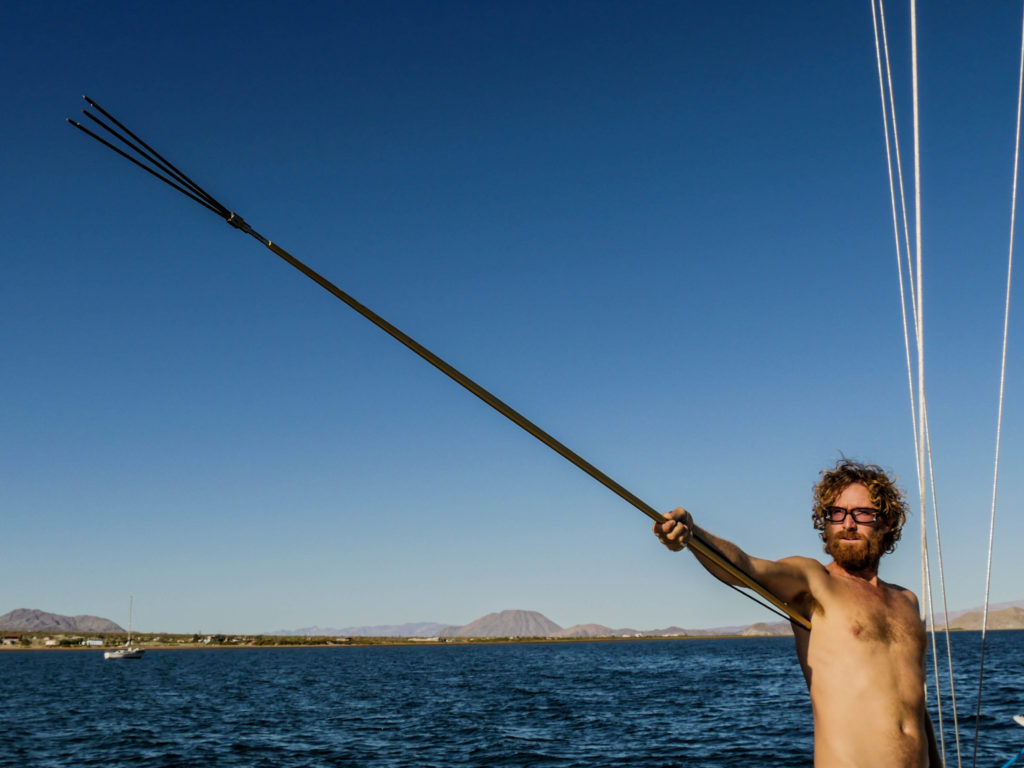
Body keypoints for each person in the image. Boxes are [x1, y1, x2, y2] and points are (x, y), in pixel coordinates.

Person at [654, 459, 941, 767]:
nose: (848, 523)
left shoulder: (906, 600)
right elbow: (746, 567)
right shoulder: (814, 581)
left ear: (886, 523)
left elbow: (915, 707)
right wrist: (694, 535)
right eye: (837, 513)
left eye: (863, 513)